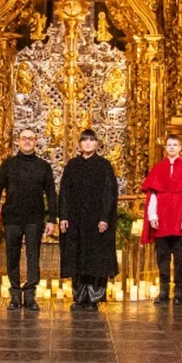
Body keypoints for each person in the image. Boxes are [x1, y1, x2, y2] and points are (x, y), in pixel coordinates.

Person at [0, 128, 57, 311]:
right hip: (12, 217)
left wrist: (52, 219)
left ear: (36, 142)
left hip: (34, 218)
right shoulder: (8, 164)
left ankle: (29, 294)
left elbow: (51, 194)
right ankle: (14, 294)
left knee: (33, 257)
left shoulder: (43, 166)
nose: (27, 141)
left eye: (31, 139)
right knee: (12, 256)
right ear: (18, 141)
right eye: (24, 138)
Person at [59, 129, 119, 311]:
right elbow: (64, 193)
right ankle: (79, 297)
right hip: (76, 220)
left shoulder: (104, 166)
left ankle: (94, 297)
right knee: (77, 256)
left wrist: (104, 218)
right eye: (84, 140)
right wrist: (63, 216)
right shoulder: (72, 165)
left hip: (96, 221)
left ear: (96, 144)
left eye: (91, 140)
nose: (87, 143)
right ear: (80, 144)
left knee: (96, 258)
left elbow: (110, 194)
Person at [141, 135, 182, 305]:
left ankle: (179, 291)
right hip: (162, 219)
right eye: (169, 145)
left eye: (175, 145)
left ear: (180, 147)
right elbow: (153, 195)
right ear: (165, 147)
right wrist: (153, 216)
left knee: (180, 258)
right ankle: (163, 290)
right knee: (162, 257)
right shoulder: (158, 168)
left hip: (179, 219)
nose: (171, 147)